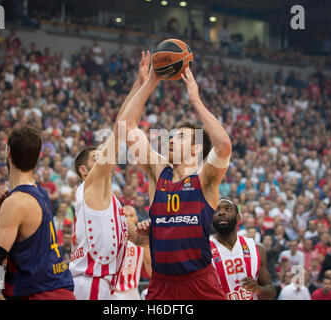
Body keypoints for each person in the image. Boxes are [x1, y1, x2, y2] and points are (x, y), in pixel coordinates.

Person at [119, 64, 232, 300]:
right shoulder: (158, 172)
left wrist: (196, 101)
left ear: (196, 147)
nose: (171, 139)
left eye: (180, 137)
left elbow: (223, 145)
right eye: (171, 135)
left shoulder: (206, 179)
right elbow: (127, 128)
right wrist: (151, 80)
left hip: (199, 281)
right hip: (162, 283)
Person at [0, 125, 75, 300]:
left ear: (8, 152)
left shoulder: (16, 202)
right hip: (57, 288)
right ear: (37, 158)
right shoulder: (40, 192)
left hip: (41, 293)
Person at [70, 51, 151, 300]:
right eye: (97, 158)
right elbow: (121, 129)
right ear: (84, 171)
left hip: (106, 286)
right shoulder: (89, 187)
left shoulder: (113, 202)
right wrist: (146, 84)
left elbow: (135, 240)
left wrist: (145, 234)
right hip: (90, 283)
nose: (104, 160)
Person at [210, 199, 276, 300]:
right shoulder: (204, 251)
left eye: (227, 209)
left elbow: (271, 292)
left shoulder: (256, 249)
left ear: (238, 218)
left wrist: (259, 289)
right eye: (216, 211)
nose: (221, 212)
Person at [111, 206, 151, 300]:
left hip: (133, 291)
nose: (127, 218)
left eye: (131, 215)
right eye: (124, 215)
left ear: (136, 218)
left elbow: (148, 263)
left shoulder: (142, 239)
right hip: (114, 292)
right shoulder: (112, 237)